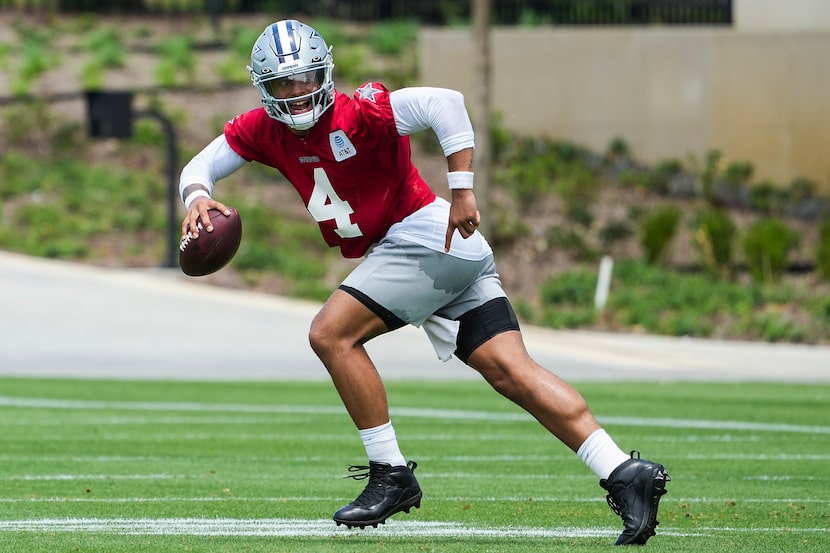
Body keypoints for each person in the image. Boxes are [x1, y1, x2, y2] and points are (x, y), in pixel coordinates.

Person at [178, 19, 670, 546]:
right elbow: (200, 165)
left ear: (325, 73)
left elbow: (446, 103)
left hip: (426, 235)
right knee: (512, 372)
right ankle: (624, 472)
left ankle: (390, 473)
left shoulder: (361, 109)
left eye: (305, 79)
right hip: (439, 251)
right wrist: (198, 197)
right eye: (283, 84)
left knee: (330, 334)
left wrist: (462, 188)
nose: (297, 95)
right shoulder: (262, 129)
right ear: (263, 87)